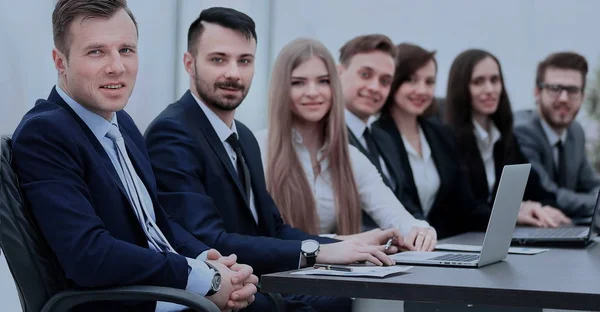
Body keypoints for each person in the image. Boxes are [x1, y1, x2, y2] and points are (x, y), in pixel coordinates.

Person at [10, 1, 257, 311]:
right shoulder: (46, 133)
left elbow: (156, 223)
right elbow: (89, 255)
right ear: (60, 62)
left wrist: (210, 260)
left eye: (126, 50)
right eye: (96, 51)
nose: (117, 66)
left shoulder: (120, 122)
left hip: (172, 294)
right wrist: (205, 279)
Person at [145, 7, 395, 311]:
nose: (233, 73)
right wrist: (316, 253)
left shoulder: (244, 137)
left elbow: (274, 228)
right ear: (189, 63)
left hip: (256, 278)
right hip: (217, 290)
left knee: (345, 296)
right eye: (218, 59)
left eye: (244, 61)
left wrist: (342, 246)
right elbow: (208, 241)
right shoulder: (172, 132)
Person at [255, 37, 436, 251]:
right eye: (298, 82)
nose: (313, 92)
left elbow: (397, 216)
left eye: (323, 81)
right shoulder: (256, 148)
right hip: (273, 278)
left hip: (337, 278)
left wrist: (422, 231)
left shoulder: (351, 157)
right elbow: (258, 236)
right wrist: (346, 241)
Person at [374, 43, 492, 239]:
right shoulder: (377, 136)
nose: (422, 90)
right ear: (393, 82)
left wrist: (511, 216)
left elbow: (464, 204)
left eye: (429, 82)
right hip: (400, 248)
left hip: (441, 245)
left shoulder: (441, 134)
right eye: (411, 80)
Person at [444, 49, 571, 228]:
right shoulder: (447, 138)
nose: (490, 89)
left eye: (495, 80)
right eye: (478, 82)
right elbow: (462, 209)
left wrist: (542, 207)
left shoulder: (504, 137)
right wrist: (514, 213)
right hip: (459, 241)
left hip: (496, 238)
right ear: (461, 87)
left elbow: (538, 190)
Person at [338, 34, 421, 228]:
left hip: (402, 249)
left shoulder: (384, 139)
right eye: (365, 75)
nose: (375, 87)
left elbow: (406, 204)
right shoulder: (325, 137)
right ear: (338, 73)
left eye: (385, 81)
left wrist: (425, 234)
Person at [514, 51, 600, 219]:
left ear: (582, 96)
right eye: (555, 88)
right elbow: (548, 194)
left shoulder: (576, 132)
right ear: (537, 92)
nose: (564, 98)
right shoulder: (522, 131)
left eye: (573, 90)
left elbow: (591, 184)